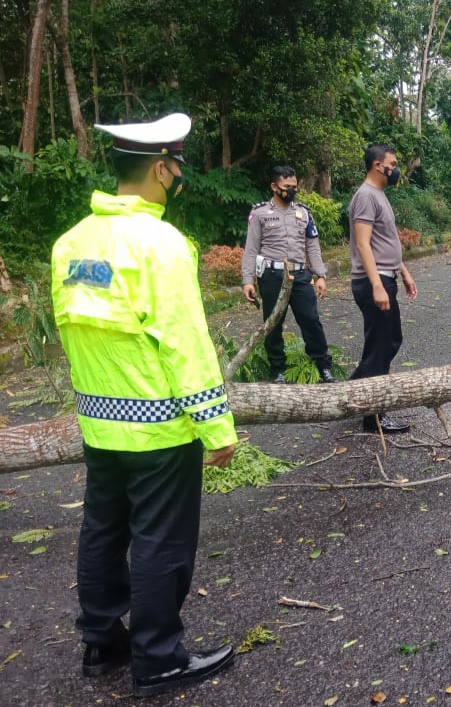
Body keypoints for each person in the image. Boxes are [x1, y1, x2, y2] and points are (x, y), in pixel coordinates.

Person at [51, 112, 238, 696]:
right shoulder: (163, 246)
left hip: (98, 423)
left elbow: (73, 334)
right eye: (177, 166)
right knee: (162, 539)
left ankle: (102, 641)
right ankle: (158, 657)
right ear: (161, 167)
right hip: (158, 427)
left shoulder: (72, 243)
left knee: (103, 530)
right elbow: (186, 344)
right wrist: (217, 428)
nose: (178, 175)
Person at [347, 143, 418, 434]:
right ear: (378, 165)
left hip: (386, 277)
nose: (395, 168)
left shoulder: (378, 195)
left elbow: (384, 243)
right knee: (381, 346)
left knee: (388, 341)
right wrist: (377, 285)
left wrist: (403, 272)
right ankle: (374, 415)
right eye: (393, 163)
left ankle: (353, 393)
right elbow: (363, 244)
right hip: (373, 281)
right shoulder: (365, 196)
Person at [241, 165, 336, 384]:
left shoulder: (303, 213)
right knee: (273, 323)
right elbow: (251, 248)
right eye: (287, 187)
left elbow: (312, 247)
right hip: (272, 276)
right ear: (274, 187)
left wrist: (320, 275)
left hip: (300, 275)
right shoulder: (260, 214)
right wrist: (248, 280)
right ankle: (278, 370)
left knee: (311, 320)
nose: (292, 190)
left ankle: (323, 366)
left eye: (294, 186)